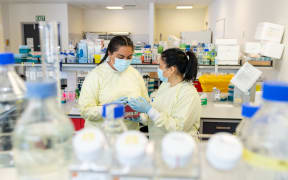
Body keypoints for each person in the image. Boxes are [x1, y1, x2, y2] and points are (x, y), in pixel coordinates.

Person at [128, 48, 201, 141]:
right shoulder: (165, 85)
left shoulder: (188, 94)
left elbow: (177, 128)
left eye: (160, 66)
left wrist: (149, 109)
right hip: (159, 145)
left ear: (171, 69)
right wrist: (140, 117)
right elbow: (157, 114)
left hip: (179, 148)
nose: (158, 69)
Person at [79, 36, 149, 129]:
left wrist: (142, 117)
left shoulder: (135, 74)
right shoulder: (96, 75)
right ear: (110, 53)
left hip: (129, 136)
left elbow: (146, 104)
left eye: (129, 57)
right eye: (121, 57)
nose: (125, 60)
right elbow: (85, 111)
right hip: (103, 136)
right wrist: (108, 109)